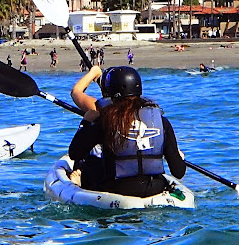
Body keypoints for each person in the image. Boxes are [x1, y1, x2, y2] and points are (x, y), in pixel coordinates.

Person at [68, 66, 186, 197]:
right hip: (153, 188)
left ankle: (79, 181)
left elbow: (75, 153)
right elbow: (179, 172)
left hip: (118, 189)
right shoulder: (161, 121)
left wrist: (86, 122)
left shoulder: (105, 120)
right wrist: (177, 157)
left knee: (92, 159)